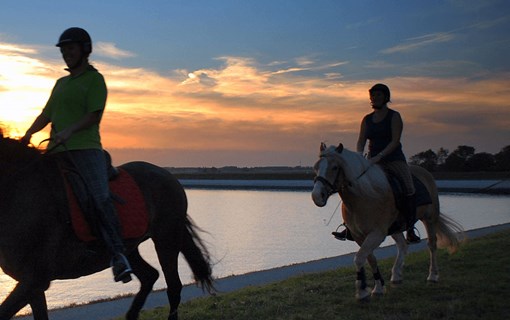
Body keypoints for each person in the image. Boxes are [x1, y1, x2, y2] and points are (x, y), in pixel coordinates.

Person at [21, 27, 133, 282]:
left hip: (85, 149)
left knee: (99, 196)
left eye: (70, 49)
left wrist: (69, 131)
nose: (66, 54)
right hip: (55, 152)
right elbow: (46, 115)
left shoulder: (95, 80)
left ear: (84, 50)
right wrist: (27, 134)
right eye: (63, 50)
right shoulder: (60, 84)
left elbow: (94, 115)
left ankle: (118, 255)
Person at [333, 83, 420, 244]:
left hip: (394, 159)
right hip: (372, 161)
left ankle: (410, 227)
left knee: (409, 188)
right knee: (354, 186)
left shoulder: (394, 116)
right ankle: (350, 226)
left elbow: (395, 141)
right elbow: (361, 141)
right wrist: (360, 158)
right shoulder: (367, 119)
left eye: (378, 95)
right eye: (372, 96)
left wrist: (379, 156)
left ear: (386, 97)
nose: (374, 99)